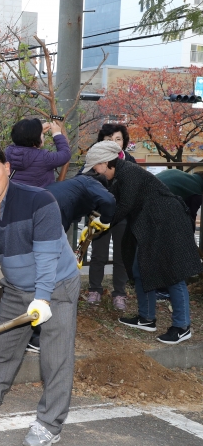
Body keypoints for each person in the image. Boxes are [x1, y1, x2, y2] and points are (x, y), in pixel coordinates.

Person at [0, 142, 80, 446]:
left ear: (7, 168)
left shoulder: (39, 200)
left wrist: (43, 298)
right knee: (1, 348)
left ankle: (50, 423)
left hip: (58, 285)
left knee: (55, 356)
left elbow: (48, 255)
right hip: (16, 288)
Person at [85, 141, 202, 344]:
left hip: (167, 221)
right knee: (140, 268)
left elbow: (125, 205)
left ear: (105, 162)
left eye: (95, 167)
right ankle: (146, 318)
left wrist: (103, 222)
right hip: (149, 223)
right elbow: (114, 204)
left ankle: (182, 326)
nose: (96, 172)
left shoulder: (129, 172)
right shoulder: (119, 176)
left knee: (173, 272)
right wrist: (100, 218)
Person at [86, 123, 136, 309]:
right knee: (98, 254)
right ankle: (94, 289)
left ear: (124, 142)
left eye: (118, 139)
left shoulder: (129, 161)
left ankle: (119, 293)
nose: (114, 144)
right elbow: (86, 184)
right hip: (99, 213)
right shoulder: (94, 159)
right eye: (109, 140)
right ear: (101, 141)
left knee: (121, 256)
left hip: (122, 215)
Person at [5, 118, 71, 188]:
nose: (43, 136)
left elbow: (23, 137)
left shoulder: (8, 152)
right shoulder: (44, 157)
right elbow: (65, 154)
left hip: (16, 195)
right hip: (38, 197)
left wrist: (37, 130)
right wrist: (57, 134)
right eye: (41, 134)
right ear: (35, 138)